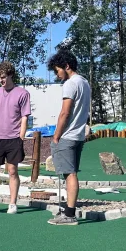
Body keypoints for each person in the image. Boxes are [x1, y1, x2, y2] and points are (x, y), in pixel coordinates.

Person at [46, 49, 91, 226]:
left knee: (69, 175)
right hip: (79, 135)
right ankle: (68, 212)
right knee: (70, 174)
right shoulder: (85, 83)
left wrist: (56, 136)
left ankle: (70, 215)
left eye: (58, 71)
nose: (57, 75)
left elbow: (65, 112)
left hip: (67, 136)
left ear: (66, 66)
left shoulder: (70, 84)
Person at [0, 61, 31, 214]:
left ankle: (13, 204)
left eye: (3, 77)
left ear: (10, 75)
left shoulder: (22, 93)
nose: (1, 80)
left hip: (14, 138)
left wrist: (21, 138)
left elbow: (24, 118)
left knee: (12, 171)